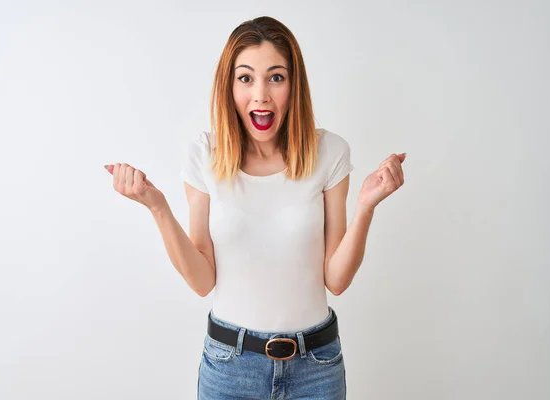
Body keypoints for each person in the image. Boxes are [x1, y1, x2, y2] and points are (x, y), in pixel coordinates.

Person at [105, 15, 405, 400]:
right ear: (229, 86)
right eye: (246, 78)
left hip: (316, 368)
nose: (261, 94)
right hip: (230, 369)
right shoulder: (204, 155)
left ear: (293, 85)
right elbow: (201, 281)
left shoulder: (330, 153)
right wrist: (158, 208)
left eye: (276, 77)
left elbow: (337, 279)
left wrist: (366, 208)